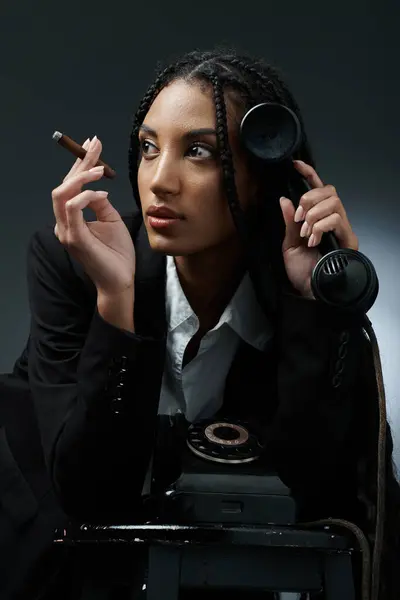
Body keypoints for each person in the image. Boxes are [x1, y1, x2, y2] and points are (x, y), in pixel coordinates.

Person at [11, 48, 400, 599]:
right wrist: (116, 302)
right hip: (61, 568)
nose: (159, 182)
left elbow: (328, 493)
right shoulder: (71, 264)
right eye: (148, 149)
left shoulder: (290, 285)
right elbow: (87, 493)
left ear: (261, 175)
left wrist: (318, 301)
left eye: (198, 152)